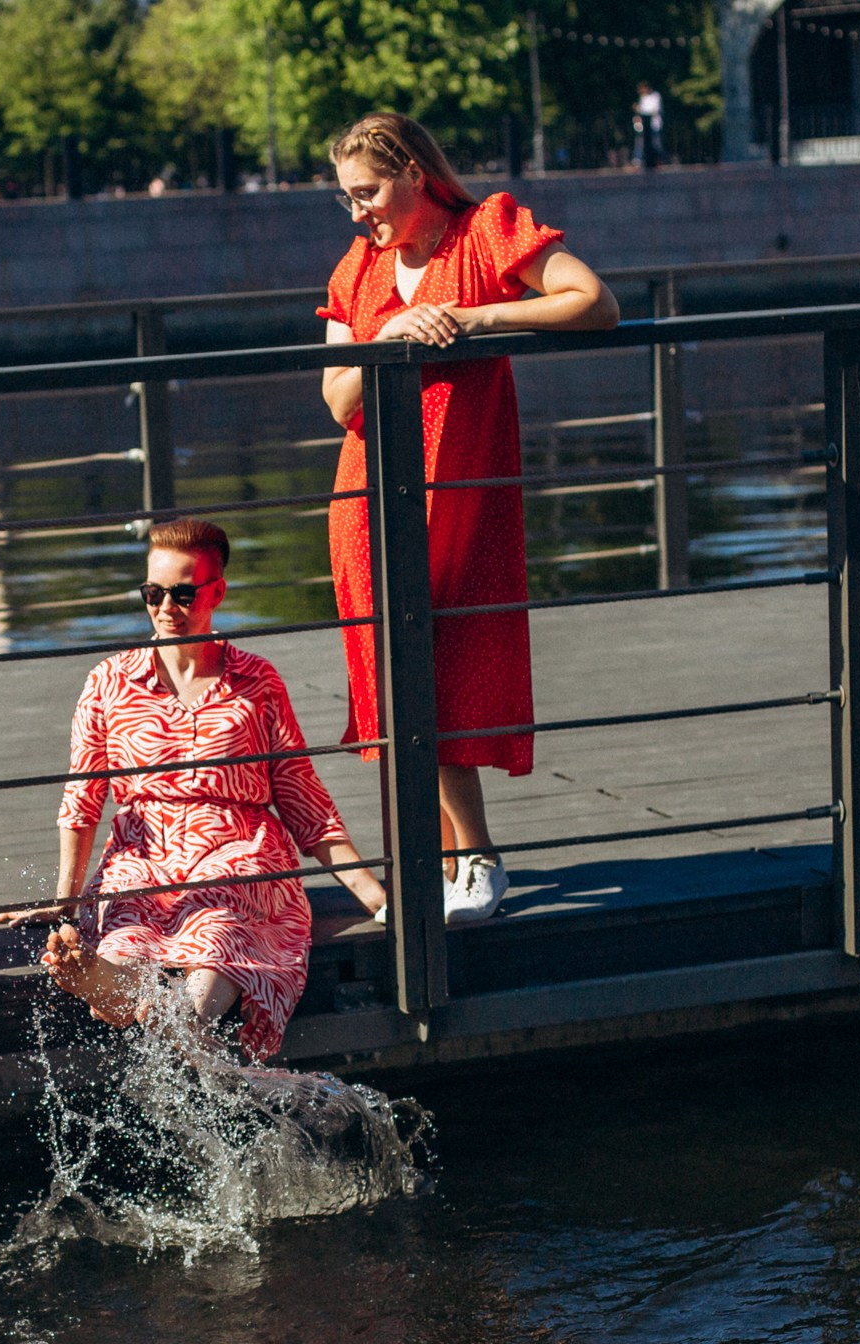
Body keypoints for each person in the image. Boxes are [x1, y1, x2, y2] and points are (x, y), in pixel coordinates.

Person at [319, 112, 618, 924]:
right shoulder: (362, 266)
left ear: (414, 171)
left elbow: (595, 303)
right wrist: (390, 331)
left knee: (450, 670)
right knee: (394, 683)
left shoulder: (488, 232)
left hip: (466, 494)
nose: (358, 213)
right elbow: (337, 398)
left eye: (368, 192)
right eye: (346, 199)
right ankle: (443, 866)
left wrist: (476, 318)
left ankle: (473, 860)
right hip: (372, 498)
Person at [0, 520, 388, 1059]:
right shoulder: (108, 681)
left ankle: (167, 1015)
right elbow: (83, 798)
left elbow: (304, 800)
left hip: (238, 850)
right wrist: (64, 902)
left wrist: (374, 896)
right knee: (126, 928)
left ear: (217, 592)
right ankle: (129, 996)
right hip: (143, 853)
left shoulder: (256, 682)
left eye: (183, 593)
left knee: (220, 924)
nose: (166, 608)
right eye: (153, 594)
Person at [634, 82, 665, 170]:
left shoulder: (656, 96)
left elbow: (655, 109)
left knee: (656, 143)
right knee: (641, 142)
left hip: (654, 124)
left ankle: (659, 160)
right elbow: (642, 110)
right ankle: (639, 161)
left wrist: (642, 111)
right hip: (645, 125)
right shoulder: (643, 97)